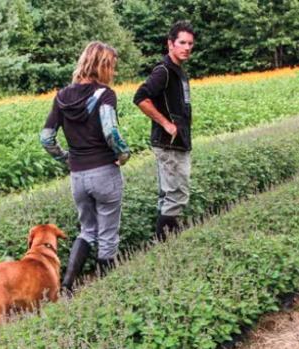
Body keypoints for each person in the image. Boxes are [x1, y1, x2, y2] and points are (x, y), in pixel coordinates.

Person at [41, 41, 132, 294]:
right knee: (108, 235)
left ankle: (67, 286)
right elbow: (110, 132)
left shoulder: (61, 97)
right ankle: (108, 292)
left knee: (87, 230)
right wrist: (123, 154)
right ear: (101, 66)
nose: (113, 73)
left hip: (78, 177)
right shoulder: (105, 94)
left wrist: (66, 159)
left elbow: (46, 138)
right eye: (112, 67)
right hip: (104, 172)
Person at [133, 21, 195, 241]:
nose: (186, 47)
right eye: (181, 42)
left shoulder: (179, 71)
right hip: (168, 144)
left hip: (178, 143)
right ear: (170, 43)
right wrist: (165, 123)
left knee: (170, 195)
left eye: (190, 43)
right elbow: (140, 97)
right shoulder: (164, 71)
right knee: (175, 195)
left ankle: (168, 243)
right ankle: (166, 246)